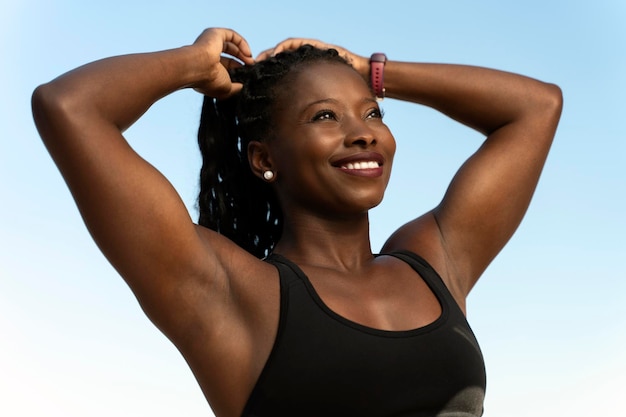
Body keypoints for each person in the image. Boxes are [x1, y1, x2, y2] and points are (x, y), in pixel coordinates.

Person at [32, 28, 562, 417]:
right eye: (325, 116)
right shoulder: (231, 293)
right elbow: (69, 107)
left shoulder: (433, 262)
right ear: (264, 159)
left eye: (372, 113)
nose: (363, 133)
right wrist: (195, 64)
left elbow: (538, 106)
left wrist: (372, 72)